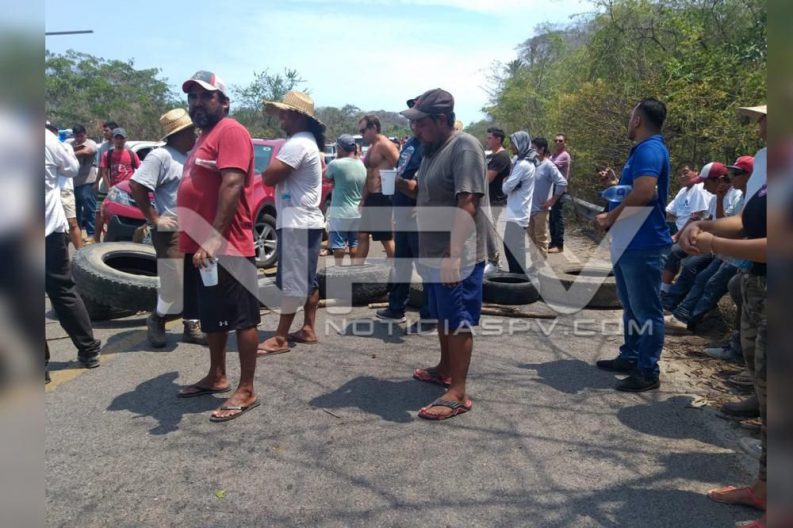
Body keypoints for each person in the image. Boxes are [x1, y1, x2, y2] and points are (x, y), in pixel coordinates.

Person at [678, 162, 767, 528]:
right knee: (769, 399)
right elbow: (747, 221)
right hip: (759, 288)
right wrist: (704, 225)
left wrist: (714, 243)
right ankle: (765, 488)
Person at [175, 71, 261, 423]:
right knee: (212, 317)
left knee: (242, 319)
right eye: (192, 97)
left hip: (229, 246)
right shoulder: (204, 137)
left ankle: (247, 388)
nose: (197, 103)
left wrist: (214, 237)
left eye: (205, 96)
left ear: (223, 102)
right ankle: (217, 375)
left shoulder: (232, 131)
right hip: (201, 248)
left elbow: (232, 183)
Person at [400, 88, 488, 420]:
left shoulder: (463, 147)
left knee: (458, 320)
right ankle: (445, 369)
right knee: (442, 315)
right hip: (433, 250)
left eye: (420, 124)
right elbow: (432, 190)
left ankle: (458, 392)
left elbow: (467, 202)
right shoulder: (431, 150)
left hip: (458, 254)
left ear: (440, 120)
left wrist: (453, 254)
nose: (415, 130)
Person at [595, 97, 672, 392]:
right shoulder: (642, 151)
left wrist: (609, 217)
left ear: (638, 120)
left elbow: (645, 194)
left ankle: (647, 370)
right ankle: (631, 356)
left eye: (631, 117)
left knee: (646, 309)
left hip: (644, 243)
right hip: (629, 242)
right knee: (631, 307)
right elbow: (634, 190)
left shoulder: (650, 149)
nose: (629, 122)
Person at [129, 108, 206, 347]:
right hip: (171, 229)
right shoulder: (160, 156)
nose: (195, 135)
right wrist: (154, 218)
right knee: (173, 282)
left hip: (193, 227)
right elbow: (137, 185)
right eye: (190, 131)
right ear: (178, 133)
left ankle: (191, 324)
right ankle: (157, 319)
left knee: (194, 280)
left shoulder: (188, 155)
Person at [257, 91, 327, 356]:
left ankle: (280, 337)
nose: (281, 119)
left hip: (297, 222)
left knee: (291, 280)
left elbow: (270, 177)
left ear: (298, 116)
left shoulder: (297, 144)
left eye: (285, 113)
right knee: (307, 279)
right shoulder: (307, 142)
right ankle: (308, 328)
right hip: (306, 221)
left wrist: (265, 170)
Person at [45, 125, 102, 380]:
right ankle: (89, 351)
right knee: (63, 290)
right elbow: (70, 168)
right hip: (49, 230)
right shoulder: (45, 138)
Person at [664, 161, 748, 332]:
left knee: (708, 279)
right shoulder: (725, 196)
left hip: (732, 250)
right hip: (723, 248)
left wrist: (719, 199)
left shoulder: (735, 196)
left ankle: (686, 317)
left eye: (734, 175)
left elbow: (726, 226)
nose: (703, 186)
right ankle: (672, 304)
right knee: (692, 267)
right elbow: (711, 221)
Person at [376, 97, 435, 334]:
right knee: (401, 264)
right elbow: (402, 169)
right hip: (402, 212)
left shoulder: (429, 146)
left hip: (417, 214)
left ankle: (430, 316)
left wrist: (402, 185)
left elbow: (422, 183)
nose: (413, 121)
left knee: (424, 268)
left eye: (417, 116)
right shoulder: (411, 142)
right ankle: (396, 307)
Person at [660, 162, 712, 292]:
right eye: (679, 174)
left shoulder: (699, 189)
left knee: (673, 251)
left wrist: (677, 236)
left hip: (695, 232)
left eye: (686, 172)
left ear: (696, 171)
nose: (682, 176)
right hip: (679, 227)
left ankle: (664, 290)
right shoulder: (683, 191)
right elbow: (668, 212)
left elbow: (697, 217)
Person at [355, 115, 399, 263]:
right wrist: (363, 199)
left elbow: (401, 167)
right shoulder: (371, 148)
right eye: (360, 131)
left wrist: (392, 182)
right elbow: (369, 174)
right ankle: (356, 271)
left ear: (373, 128)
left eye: (363, 131)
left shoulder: (384, 145)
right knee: (361, 234)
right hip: (371, 197)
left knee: (385, 238)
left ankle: (398, 274)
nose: (362, 134)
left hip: (382, 197)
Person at [325, 134, 366, 265]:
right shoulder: (361, 164)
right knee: (354, 243)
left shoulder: (336, 164)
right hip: (357, 212)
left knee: (338, 244)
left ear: (340, 148)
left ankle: (339, 268)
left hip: (340, 212)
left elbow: (324, 176)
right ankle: (353, 270)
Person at [95, 127, 140, 242]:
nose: (119, 141)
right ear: (113, 139)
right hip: (114, 190)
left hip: (128, 192)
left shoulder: (131, 154)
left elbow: (139, 170)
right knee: (102, 212)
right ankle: (97, 238)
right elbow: (104, 172)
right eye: (117, 138)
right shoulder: (107, 154)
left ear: (126, 139)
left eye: (122, 138)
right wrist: (109, 187)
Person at [501, 131, 536, 274]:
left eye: (514, 143)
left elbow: (506, 187)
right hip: (517, 210)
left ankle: (520, 279)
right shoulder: (526, 162)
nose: (512, 146)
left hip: (518, 212)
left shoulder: (522, 165)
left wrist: (506, 182)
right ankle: (516, 276)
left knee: (514, 248)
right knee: (512, 247)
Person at [529, 137, 567, 257]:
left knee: (540, 240)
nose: (530, 150)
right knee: (530, 240)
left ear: (541, 149)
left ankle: (541, 268)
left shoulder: (548, 166)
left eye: (533, 148)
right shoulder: (531, 164)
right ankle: (532, 268)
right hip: (528, 209)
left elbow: (562, 182)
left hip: (540, 209)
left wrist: (552, 200)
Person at [484, 127, 512, 274]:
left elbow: (487, 178)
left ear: (498, 139)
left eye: (489, 138)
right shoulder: (493, 156)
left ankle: (496, 263)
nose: (486, 140)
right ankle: (492, 261)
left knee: (490, 232)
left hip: (495, 200)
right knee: (486, 231)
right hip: (490, 199)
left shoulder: (501, 157)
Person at [65, 124, 98, 243]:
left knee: (90, 210)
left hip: (87, 182)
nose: (79, 138)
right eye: (76, 136)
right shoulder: (69, 142)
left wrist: (68, 153)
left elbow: (87, 151)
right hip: (72, 183)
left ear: (85, 134)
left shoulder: (91, 143)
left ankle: (91, 234)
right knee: (75, 211)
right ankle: (76, 235)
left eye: (81, 136)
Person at [548, 133, 571, 253]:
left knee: (558, 217)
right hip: (552, 190)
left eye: (560, 141)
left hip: (559, 190)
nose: (557, 142)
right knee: (552, 217)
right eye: (556, 140)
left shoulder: (564, 156)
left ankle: (559, 244)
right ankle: (553, 242)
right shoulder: (553, 155)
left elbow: (550, 167)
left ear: (565, 142)